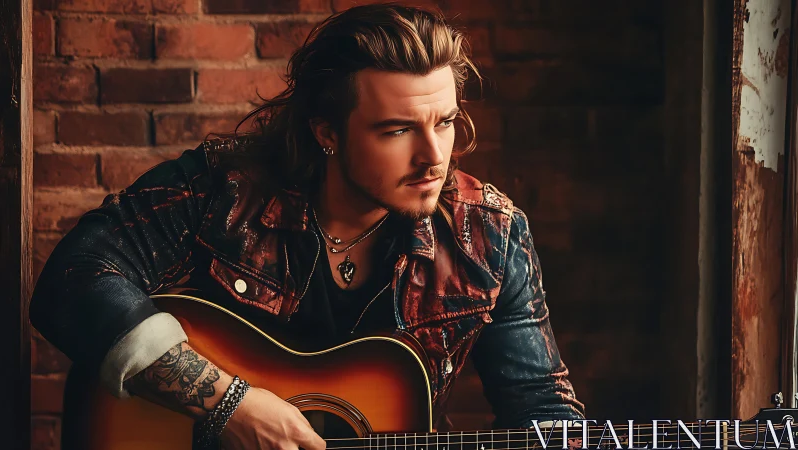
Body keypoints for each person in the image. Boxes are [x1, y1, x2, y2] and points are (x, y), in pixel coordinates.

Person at [30, 3, 585, 449]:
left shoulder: (488, 237)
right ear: (328, 133)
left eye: (443, 122)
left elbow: (540, 407)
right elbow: (74, 278)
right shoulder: (222, 191)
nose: (433, 156)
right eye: (396, 131)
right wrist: (227, 405)